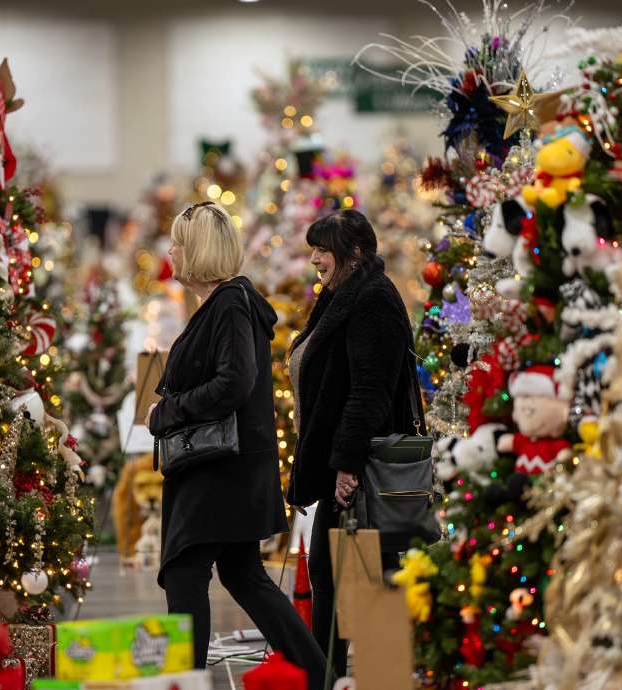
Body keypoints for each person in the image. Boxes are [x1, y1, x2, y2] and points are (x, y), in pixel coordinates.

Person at [147, 201, 326, 687]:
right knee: (242, 573)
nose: (171, 252)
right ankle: (316, 674)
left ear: (197, 250)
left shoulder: (228, 305)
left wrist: (166, 411)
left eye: (179, 243)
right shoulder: (226, 304)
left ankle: (187, 681)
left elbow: (234, 383)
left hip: (220, 470)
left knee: (186, 572)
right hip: (229, 467)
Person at [286, 209, 423, 678]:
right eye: (314, 250)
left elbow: (370, 391)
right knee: (335, 580)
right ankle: (336, 678)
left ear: (354, 253)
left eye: (322, 250)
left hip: (364, 470)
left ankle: (366, 677)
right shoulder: (343, 293)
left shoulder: (373, 300)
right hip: (346, 467)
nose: (314, 260)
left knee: (363, 583)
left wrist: (346, 463)